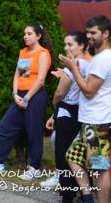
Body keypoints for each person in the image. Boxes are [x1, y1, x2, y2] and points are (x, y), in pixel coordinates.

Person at [0, 24, 52, 181]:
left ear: (39, 36)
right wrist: (15, 95)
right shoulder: (24, 52)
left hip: (35, 96)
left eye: (30, 33)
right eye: (24, 34)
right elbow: (17, 76)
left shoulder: (43, 53)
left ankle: (35, 168)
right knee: (5, 126)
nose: (26, 36)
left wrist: (27, 98)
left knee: (34, 132)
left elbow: (40, 80)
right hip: (19, 96)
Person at [61, 15, 111, 203]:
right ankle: (88, 197)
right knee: (72, 156)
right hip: (91, 121)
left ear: (105, 33)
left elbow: (89, 90)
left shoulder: (102, 59)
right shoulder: (102, 57)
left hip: (98, 123)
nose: (88, 36)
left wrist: (73, 68)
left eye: (93, 32)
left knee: (99, 168)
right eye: (88, 31)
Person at [43, 31, 91, 202]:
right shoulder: (91, 64)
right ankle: (82, 192)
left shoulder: (74, 65)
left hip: (67, 112)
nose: (66, 48)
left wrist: (55, 104)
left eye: (70, 44)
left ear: (83, 45)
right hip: (84, 114)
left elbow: (60, 92)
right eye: (65, 44)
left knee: (64, 157)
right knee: (80, 155)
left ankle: (67, 196)